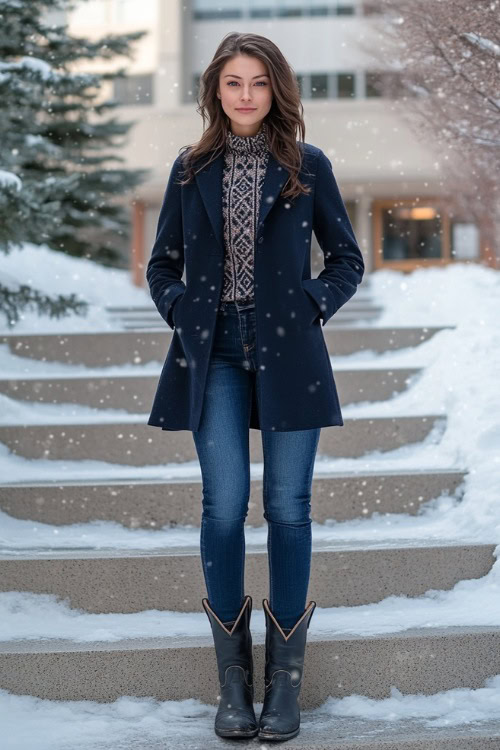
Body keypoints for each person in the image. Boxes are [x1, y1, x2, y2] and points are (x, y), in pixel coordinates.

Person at [146, 32, 365, 742]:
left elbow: (346, 260)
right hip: (214, 353)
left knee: (289, 507)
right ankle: (234, 687)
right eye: (233, 82)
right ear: (215, 89)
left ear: (277, 90)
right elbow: (162, 266)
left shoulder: (307, 165)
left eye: (259, 83)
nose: (245, 95)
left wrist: (308, 306)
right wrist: (183, 309)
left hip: (289, 351)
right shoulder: (190, 168)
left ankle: (285, 689)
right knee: (224, 507)